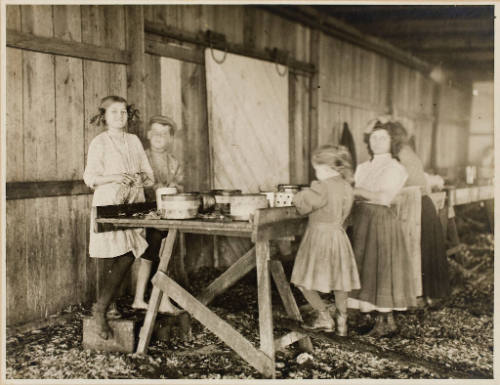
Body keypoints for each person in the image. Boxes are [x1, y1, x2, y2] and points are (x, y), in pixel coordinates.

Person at [83, 95, 155, 340]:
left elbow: (149, 176)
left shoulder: (134, 140)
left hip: (134, 203)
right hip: (110, 203)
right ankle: (101, 309)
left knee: (130, 252)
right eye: (114, 112)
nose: (120, 116)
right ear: (103, 116)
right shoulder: (99, 142)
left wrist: (139, 179)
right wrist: (116, 177)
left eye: (124, 112)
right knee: (122, 255)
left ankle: (107, 305)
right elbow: (90, 178)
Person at [348, 121, 417, 337]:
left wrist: (355, 190)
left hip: (381, 222)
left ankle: (386, 322)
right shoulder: (363, 167)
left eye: (383, 138)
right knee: (364, 267)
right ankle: (369, 316)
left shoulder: (396, 168)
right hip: (362, 220)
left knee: (382, 268)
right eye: (373, 137)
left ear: (393, 141)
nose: (377, 142)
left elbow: (384, 197)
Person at [291, 145, 360, 336]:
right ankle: (342, 321)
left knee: (303, 280)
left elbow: (304, 204)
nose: (316, 173)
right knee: (340, 282)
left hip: (319, 238)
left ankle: (323, 316)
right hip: (339, 237)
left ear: (327, 168)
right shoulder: (347, 186)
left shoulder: (321, 187)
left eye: (317, 169)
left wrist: (297, 195)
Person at [392, 121, 450, 305]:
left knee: (420, 251)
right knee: (426, 250)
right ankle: (427, 296)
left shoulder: (400, 155)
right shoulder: (408, 152)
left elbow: (402, 184)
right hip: (423, 203)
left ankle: (422, 296)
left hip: (417, 204)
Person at [131, 115, 184, 314]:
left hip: (167, 214)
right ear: (148, 135)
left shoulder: (173, 162)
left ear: (170, 138)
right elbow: (140, 182)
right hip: (148, 213)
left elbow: (179, 183)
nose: (160, 137)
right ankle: (142, 298)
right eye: (156, 133)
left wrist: (174, 186)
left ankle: (160, 299)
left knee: (164, 254)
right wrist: (156, 187)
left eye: (165, 134)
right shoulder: (142, 157)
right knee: (151, 254)